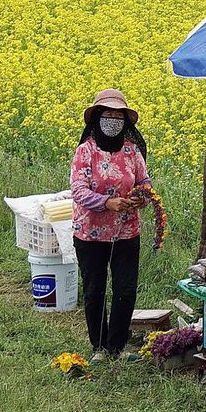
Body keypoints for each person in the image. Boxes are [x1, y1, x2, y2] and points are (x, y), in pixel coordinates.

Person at [71, 89, 153, 364]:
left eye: (118, 116)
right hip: (90, 233)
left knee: (126, 290)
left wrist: (139, 198)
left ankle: (117, 347)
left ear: (125, 122)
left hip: (127, 232)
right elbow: (79, 191)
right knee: (95, 290)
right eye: (107, 115)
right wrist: (108, 203)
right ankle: (98, 347)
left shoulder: (132, 152)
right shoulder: (86, 151)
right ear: (97, 118)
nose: (113, 120)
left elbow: (145, 183)